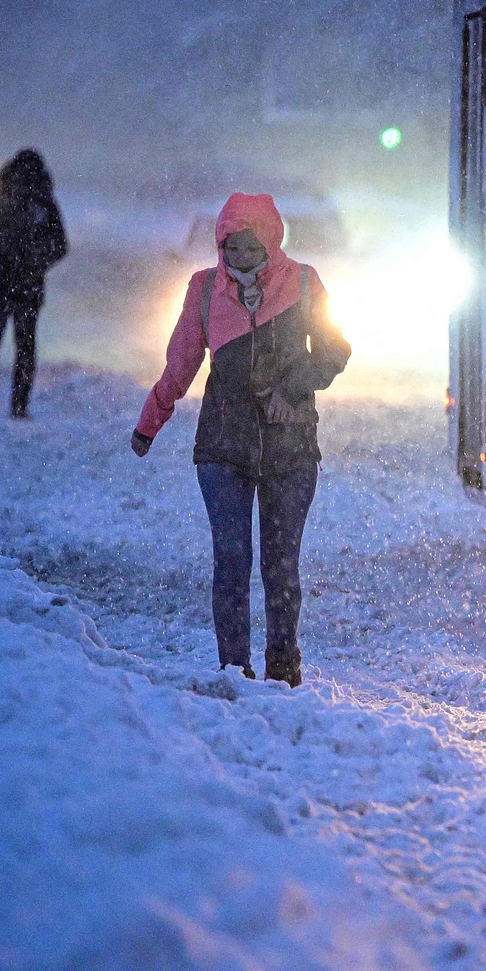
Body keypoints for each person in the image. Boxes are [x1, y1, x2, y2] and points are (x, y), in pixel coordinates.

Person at [132, 193, 350, 685]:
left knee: (280, 563)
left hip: (291, 447)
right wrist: (151, 420)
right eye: (231, 249)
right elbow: (181, 362)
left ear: (272, 243)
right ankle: (234, 669)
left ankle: (283, 667)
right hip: (222, 448)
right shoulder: (205, 290)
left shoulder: (304, 283)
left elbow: (336, 350)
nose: (241, 259)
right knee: (231, 558)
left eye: (251, 249)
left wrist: (292, 388)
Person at [0, 149, 69, 419]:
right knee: (24, 347)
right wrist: (36, 262)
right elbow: (60, 245)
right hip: (26, 287)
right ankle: (18, 406)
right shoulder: (43, 205)